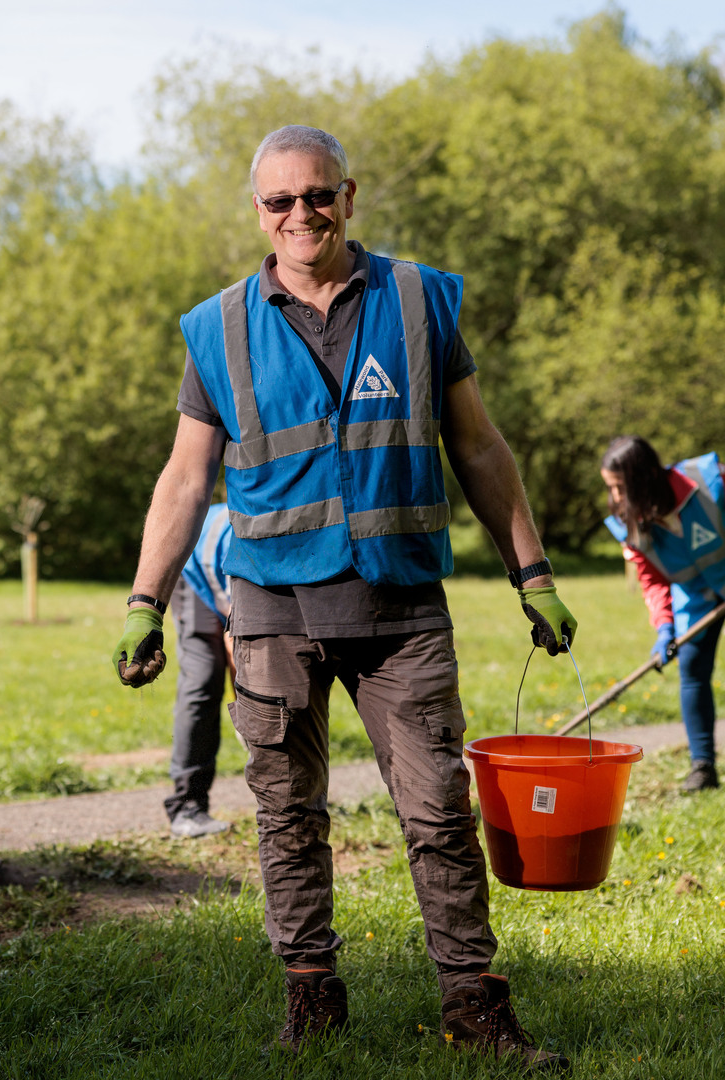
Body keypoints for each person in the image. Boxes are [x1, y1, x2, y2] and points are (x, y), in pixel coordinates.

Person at [112, 126, 576, 1069]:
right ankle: (313, 1002)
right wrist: (144, 602)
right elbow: (185, 479)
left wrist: (533, 574)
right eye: (280, 200)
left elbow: (478, 445)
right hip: (272, 611)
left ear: (348, 197)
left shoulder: (420, 299)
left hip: (400, 606)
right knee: (288, 817)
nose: (302, 214)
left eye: (318, 195)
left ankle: (474, 1007)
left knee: (439, 813)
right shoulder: (217, 328)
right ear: (258, 211)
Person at [601, 435, 723, 791]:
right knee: (692, 670)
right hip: (695, 597)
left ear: (647, 476)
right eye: (611, 488)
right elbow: (652, 579)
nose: (616, 498)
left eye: (621, 487)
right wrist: (665, 627)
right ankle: (703, 768)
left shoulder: (709, 483)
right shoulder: (629, 522)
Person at [165, 502, 234, 838]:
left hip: (224, 570)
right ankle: (187, 806)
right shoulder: (240, 546)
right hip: (194, 567)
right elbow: (238, 643)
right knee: (203, 678)